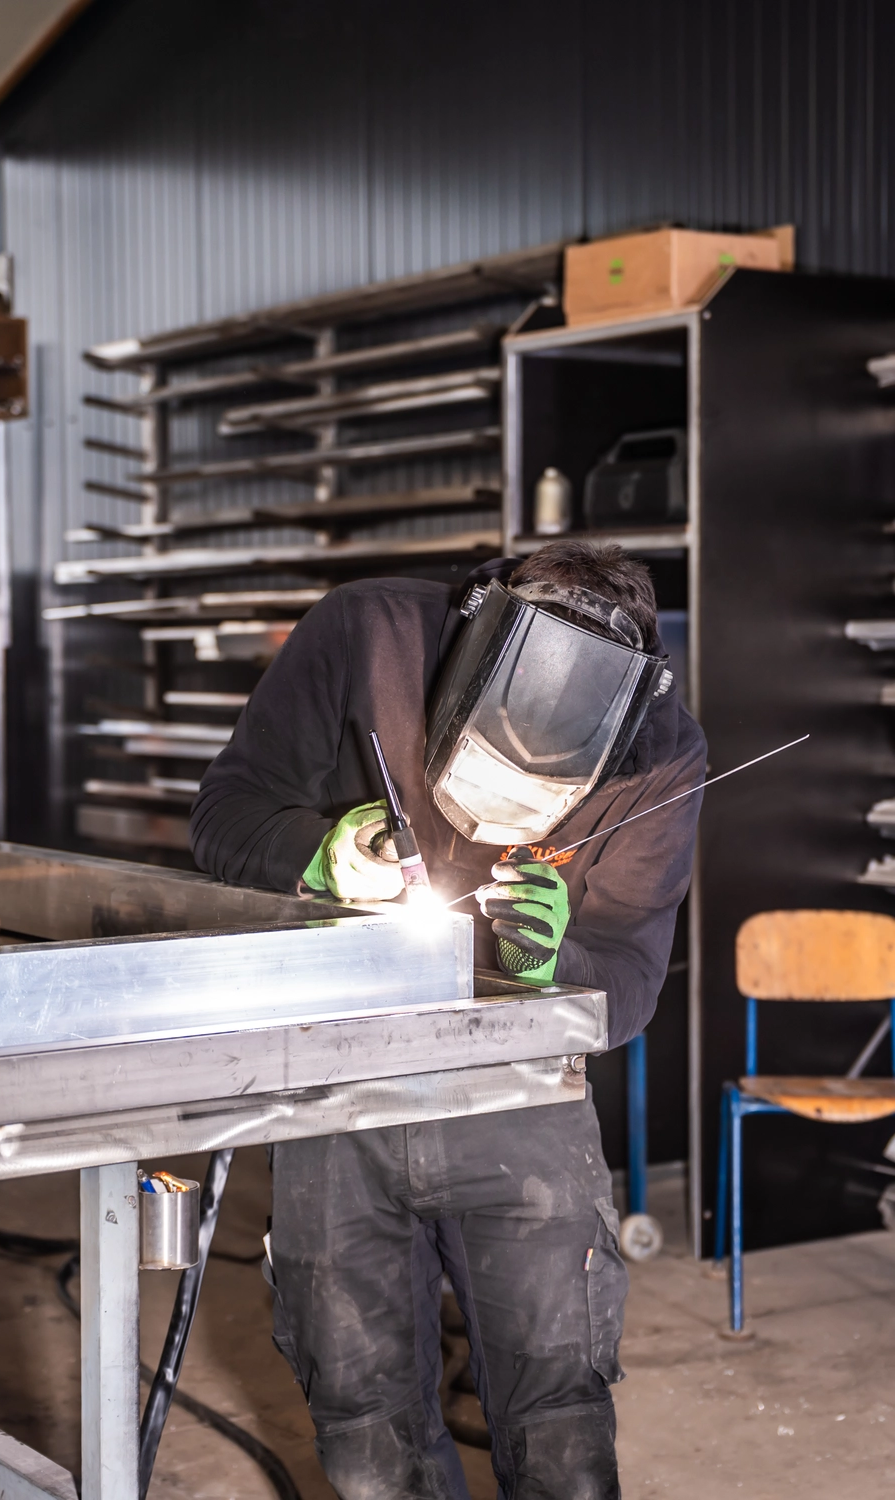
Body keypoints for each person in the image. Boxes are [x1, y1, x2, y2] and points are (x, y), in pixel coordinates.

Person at [190, 539, 706, 1500]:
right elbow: (224, 815)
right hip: (339, 1081)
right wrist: (323, 854)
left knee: (561, 1427)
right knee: (366, 1432)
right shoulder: (369, 631)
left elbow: (631, 981)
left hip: (521, 1101)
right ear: (467, 660)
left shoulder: (662, 749)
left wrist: (558, 965)